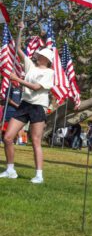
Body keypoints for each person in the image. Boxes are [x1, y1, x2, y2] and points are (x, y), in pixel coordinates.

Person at [1, 46, 56, 184]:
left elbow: (36, 87)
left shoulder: (50, 72)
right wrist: (20, 28)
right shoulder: (30, 66)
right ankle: (10, 170)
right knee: (7, 138)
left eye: (40, 55)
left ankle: (39, 175)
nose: (37, 56)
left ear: (46, 59)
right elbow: (18, 49)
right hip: (24, 105)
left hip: (38, 107)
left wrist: (17, 79)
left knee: (36, 141)